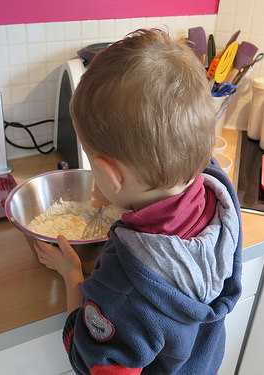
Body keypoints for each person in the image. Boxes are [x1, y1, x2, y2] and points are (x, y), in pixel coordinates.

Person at [34, 28, 242, 375]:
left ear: (109, 174)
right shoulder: (217, 190)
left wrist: (73, 276)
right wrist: (120, 197)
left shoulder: (124, 288)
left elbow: (91, 360)